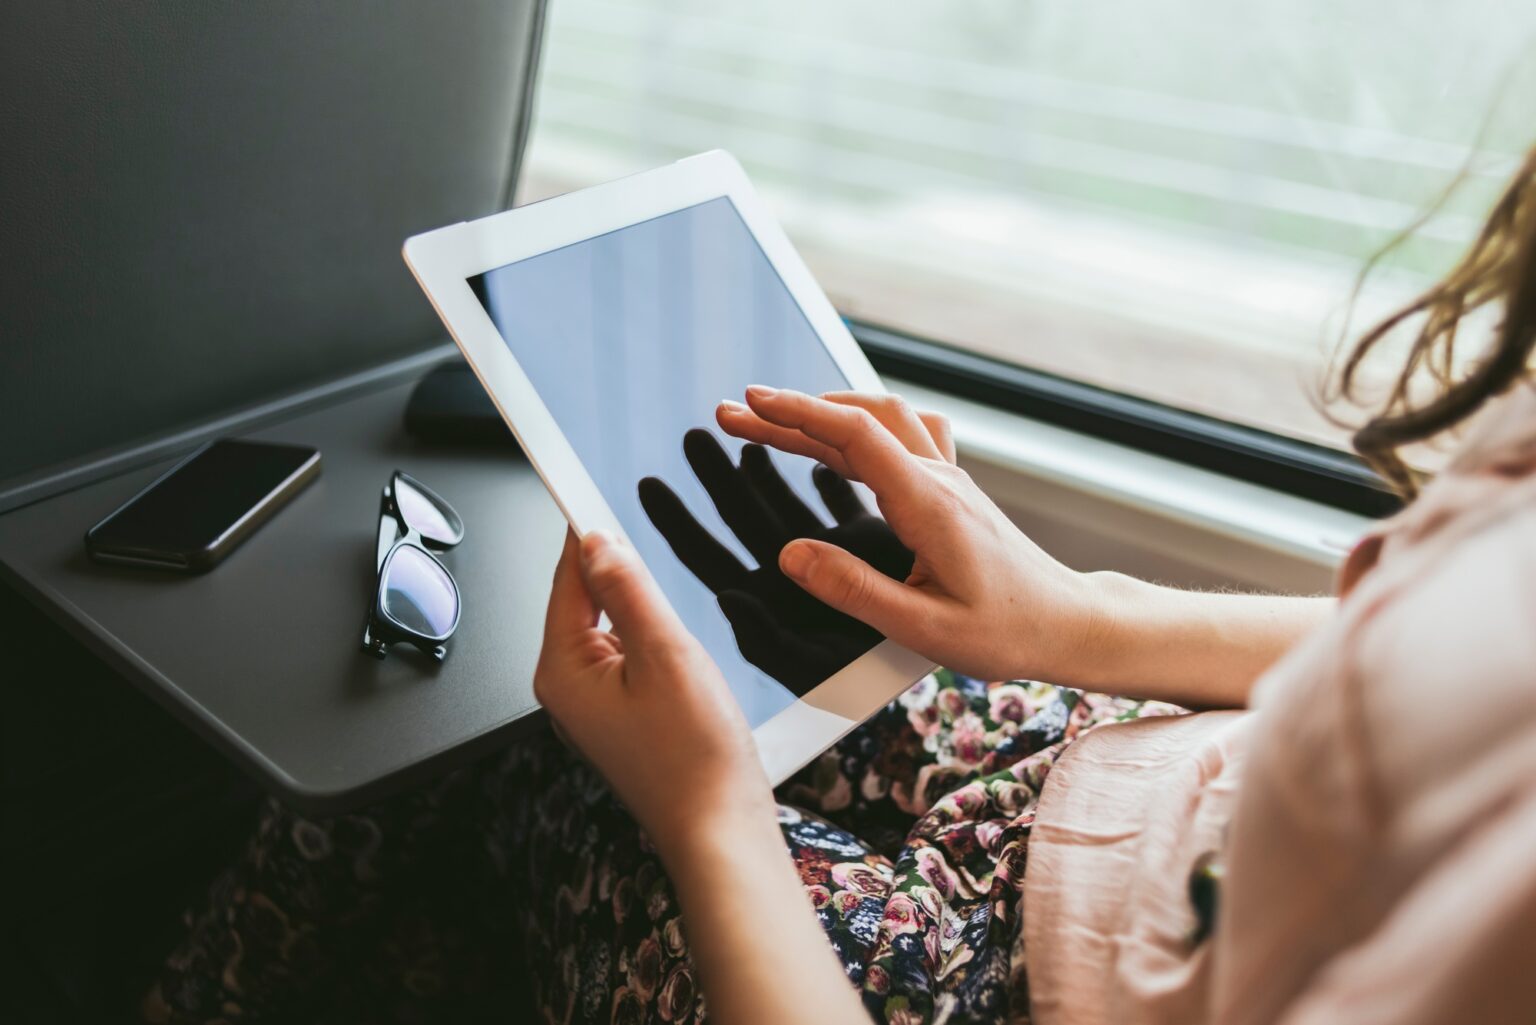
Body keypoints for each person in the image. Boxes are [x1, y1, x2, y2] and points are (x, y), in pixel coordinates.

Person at [147, 144, 1536, 1025]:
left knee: (496, 751)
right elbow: (1420, 648)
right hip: (1102, 766)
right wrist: (1071, 613)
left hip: (973, 988)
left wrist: (709, 819)